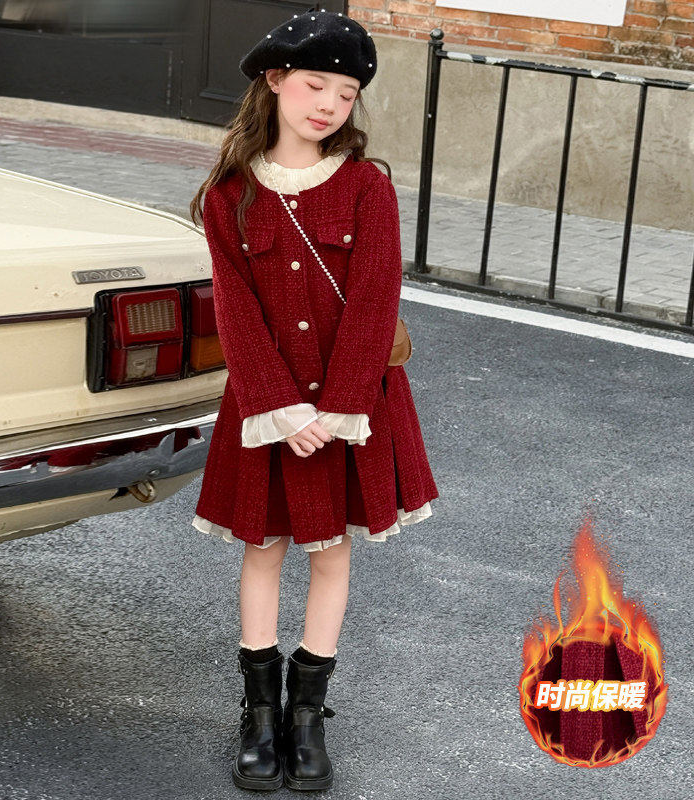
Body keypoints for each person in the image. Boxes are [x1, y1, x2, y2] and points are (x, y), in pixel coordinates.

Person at [188, 8, 439, 792]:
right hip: (268, 412)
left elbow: (374, 300)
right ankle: (259, 714)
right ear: (274, 80)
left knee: (331, 554)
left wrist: (338, 407)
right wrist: (281, 407)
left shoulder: (368, 188)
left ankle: (306, 717)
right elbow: (236, 310)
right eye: (314, 84)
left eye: (346, 92)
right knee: (263, 548)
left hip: (347, 411)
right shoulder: (230, 194)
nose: (329, 104)